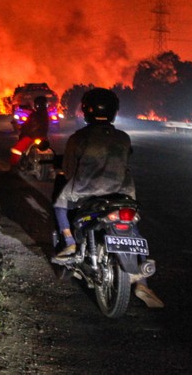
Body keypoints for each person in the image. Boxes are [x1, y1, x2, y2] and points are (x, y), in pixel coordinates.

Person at [52, 87, 164, 308]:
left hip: (87, 190)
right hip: (122, 191)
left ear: (86, 111)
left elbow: (69, 167)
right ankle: (142, 282)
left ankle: (70, 243)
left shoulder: (79, 137)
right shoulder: (123, 137)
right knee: (132, 225)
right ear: (113, 111)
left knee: (59, 205)